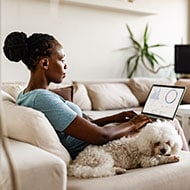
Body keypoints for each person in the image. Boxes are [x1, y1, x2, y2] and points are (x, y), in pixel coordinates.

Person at [3, 32, 188, 159]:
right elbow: (100, 136)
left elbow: (79, 126)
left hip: (91, 140)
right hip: (95, 147)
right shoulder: (41, 99)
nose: (65, 65)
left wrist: (116, 117)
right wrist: (132, 124)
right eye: (61, 59)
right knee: (170, 123)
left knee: (161, 123)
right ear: (44, 63)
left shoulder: (25, 95)